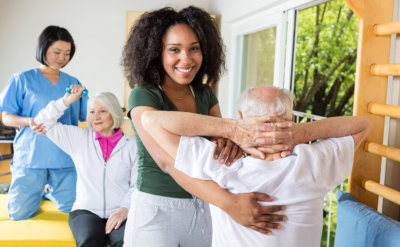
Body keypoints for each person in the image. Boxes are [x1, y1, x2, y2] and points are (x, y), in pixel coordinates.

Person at [122, 6, 292, 247]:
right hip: (156, 210)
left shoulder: (204, 93)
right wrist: (230, 203)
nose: (187, 59)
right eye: (174, 50)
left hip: (206, 207)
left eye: (194, 48)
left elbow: (220, 145)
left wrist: (228, 143)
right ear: (155, 53)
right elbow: (168, 161)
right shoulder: (143, 96)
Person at [141, 85, 370, 247]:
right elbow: (362, 125)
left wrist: (231, 129)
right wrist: (304, 133)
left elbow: (151, 121)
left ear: (241, 117)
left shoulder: (222, 161)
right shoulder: (313, 162)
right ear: (291, 121)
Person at [0, 25, 87, 220]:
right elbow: (6, 117)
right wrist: (28, 121)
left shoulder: (73, 82)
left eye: (67, 53)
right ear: (43, 48)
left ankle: (48, 192)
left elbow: (84, 116)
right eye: (57, 51)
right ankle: (40, 190)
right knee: (18, 214)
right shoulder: (21, 80)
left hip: (64, 156)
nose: (62, 58)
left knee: (71, 209)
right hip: (31, 156)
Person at [33, 86, 138, 247]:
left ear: (114, 112)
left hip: (121, 209)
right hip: (86, 210)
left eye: (102, 111)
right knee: (89, 242)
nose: (96, 117)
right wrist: (66, 101)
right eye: (91, 112)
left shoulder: (132, 146)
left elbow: (137, 184)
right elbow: (40, 122)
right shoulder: (78, 139)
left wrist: (125, 209)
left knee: (125, 242)